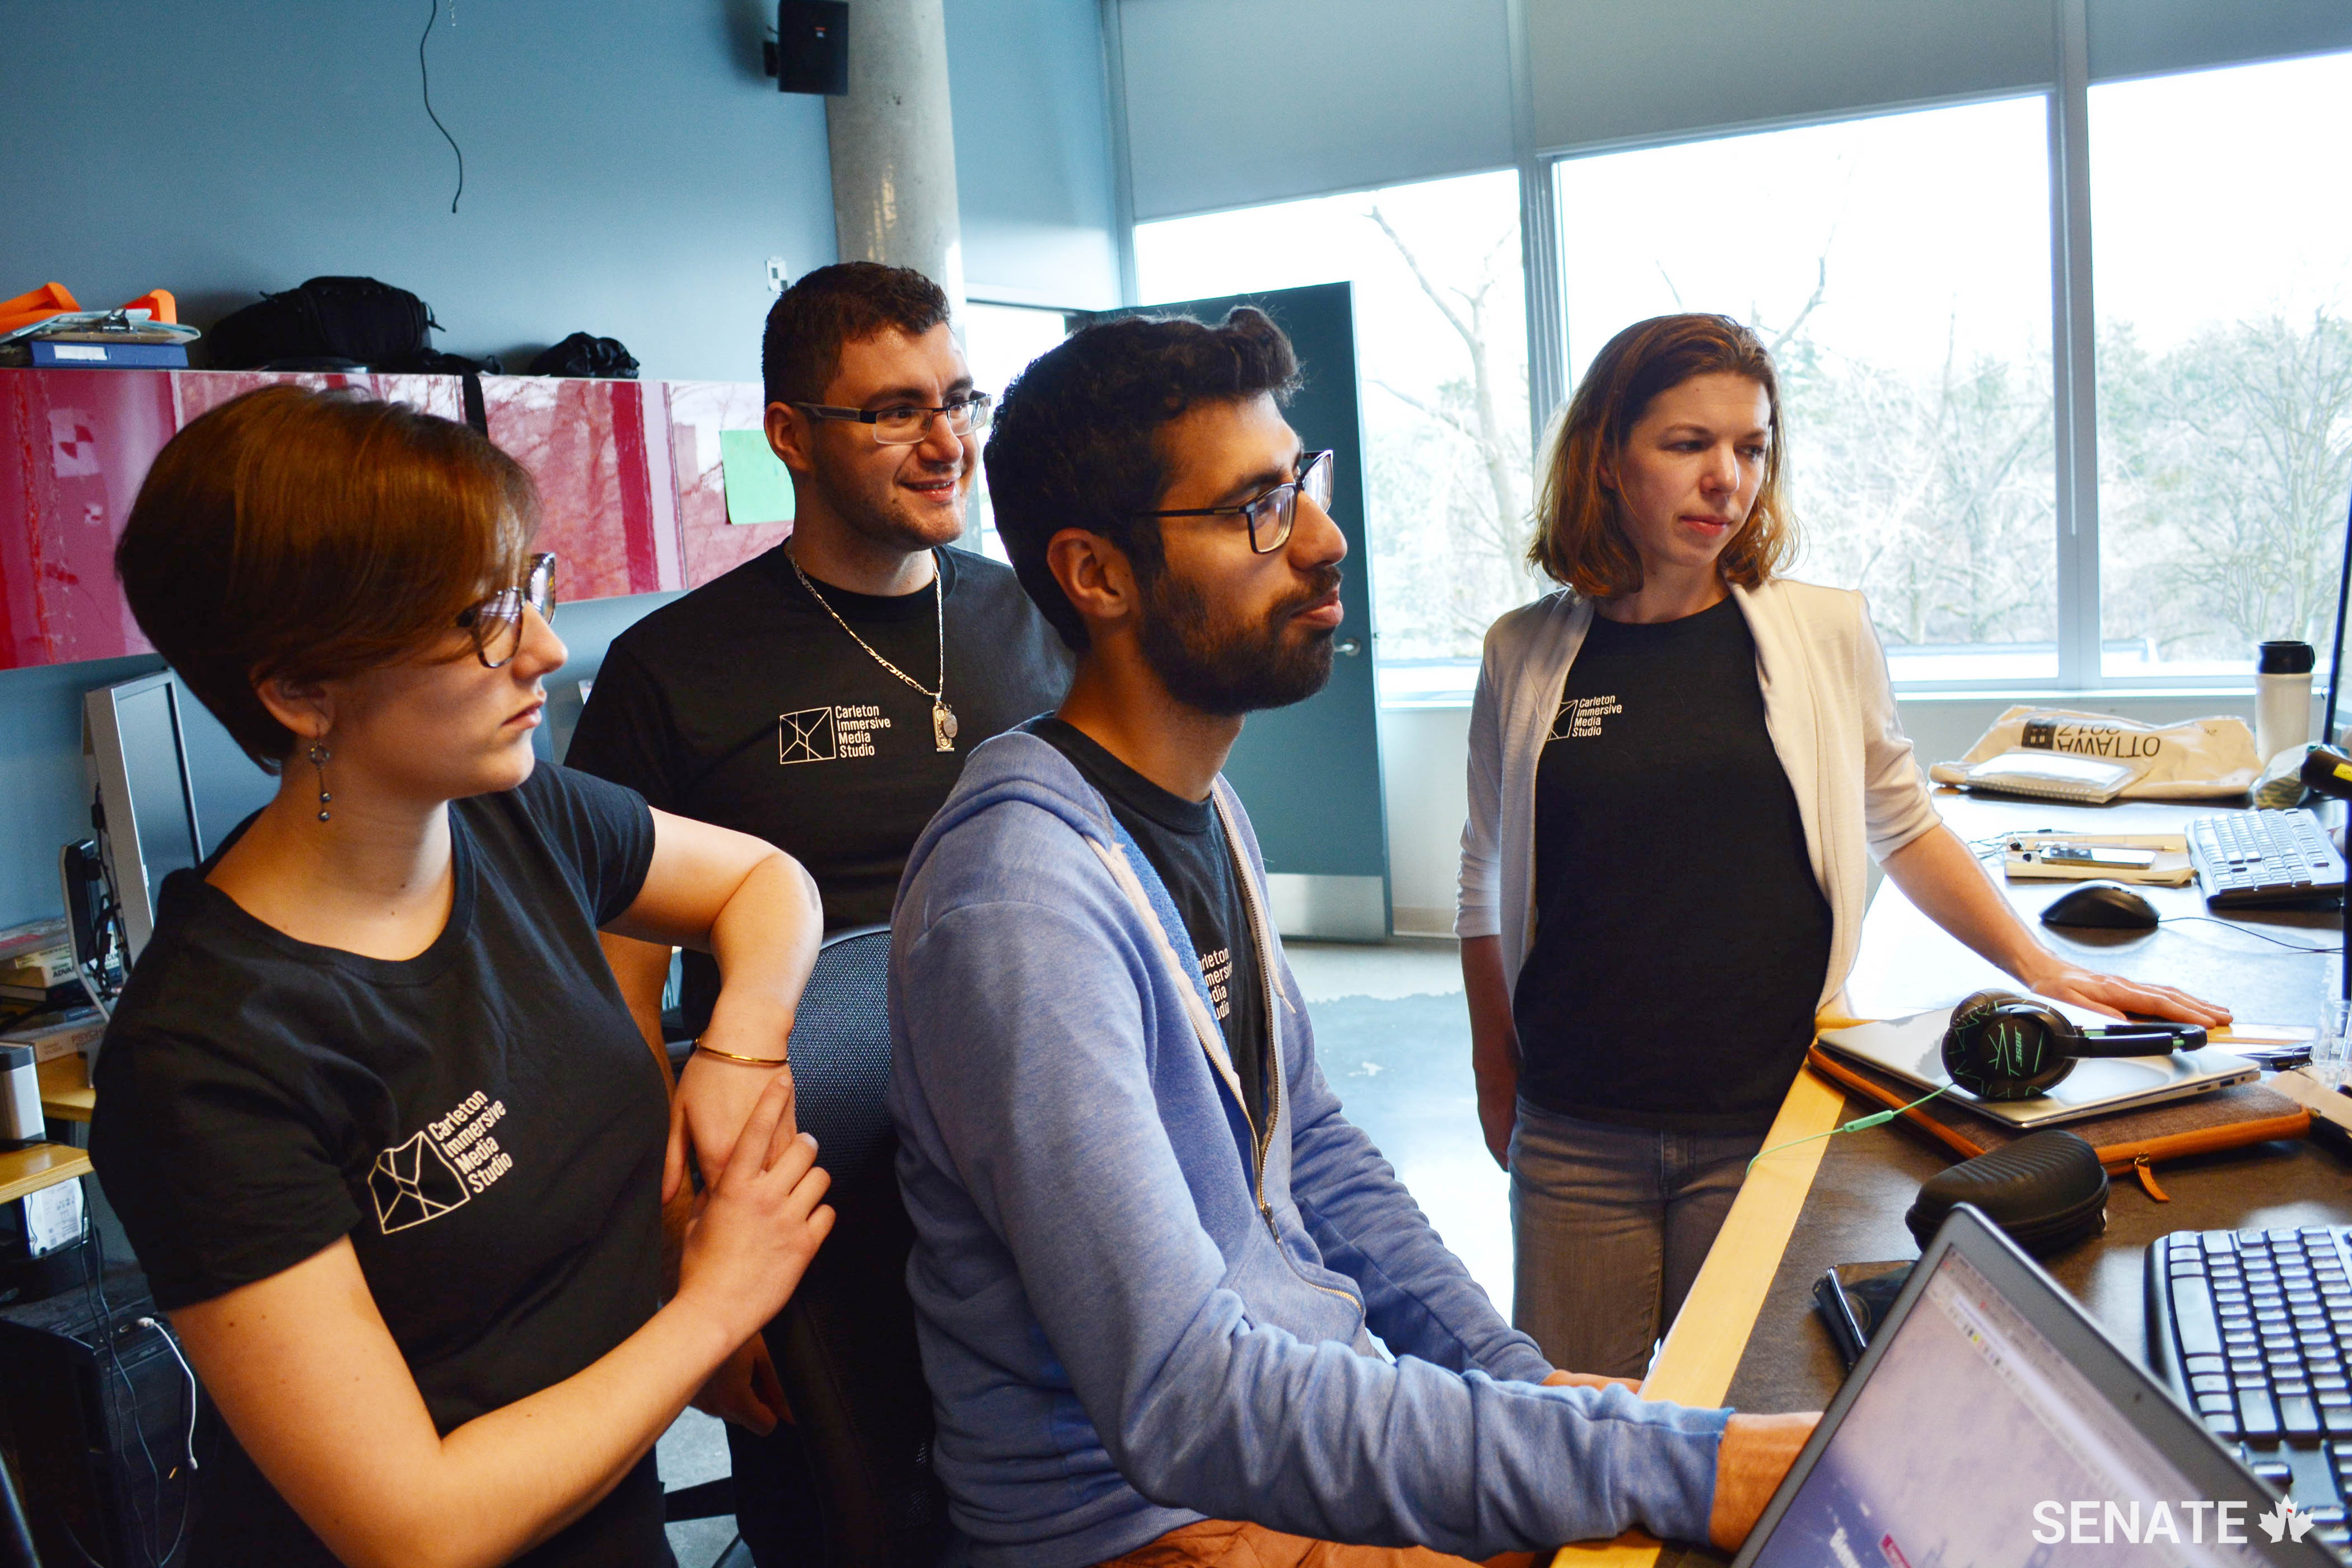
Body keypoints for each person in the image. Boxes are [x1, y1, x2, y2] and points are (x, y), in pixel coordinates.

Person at [886, 307, 1817, 1568]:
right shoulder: (1021, 906)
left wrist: (1516, 1378)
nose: (1325, 540)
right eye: (1256, 509)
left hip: (1276, 1443)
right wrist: (1649, 1458)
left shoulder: (1200, 806)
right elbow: (1188, 1397)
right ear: (1098, 574)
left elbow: (1310, 1154)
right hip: (1154, 1522)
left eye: (1302, 483)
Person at [89, 386, 837, 1568]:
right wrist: (711, 1308)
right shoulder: (207, 1058)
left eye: (528, 587)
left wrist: (741, 1047)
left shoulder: (521, 816)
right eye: (481, 620)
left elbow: (767, 883)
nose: (543, 647)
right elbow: (417, 1527)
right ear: (300, 691)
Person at [1458, 312, 2232, 1379]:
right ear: (1605, 456)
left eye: (1752, 447)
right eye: (1688, 444)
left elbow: (1903, 823)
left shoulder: (1822, 631)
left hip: (1771, 1115)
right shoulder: (1524, 652)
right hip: (1576, 1132)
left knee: (1750, 1414)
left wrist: (2044, 967)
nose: (1728, 479)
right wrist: (1494, 1070)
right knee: (1570, 1438)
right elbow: (1484, 869)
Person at [564, 260, 1071, 1556]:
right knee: (839, 1525)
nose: (948, 440)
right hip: (808, 1207)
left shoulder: (1036, 620)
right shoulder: (673, 671)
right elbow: (618, 1007)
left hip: (1042, 1172)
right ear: (789, 433)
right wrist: (689, 1262)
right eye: (896, 410)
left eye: (959, 398)